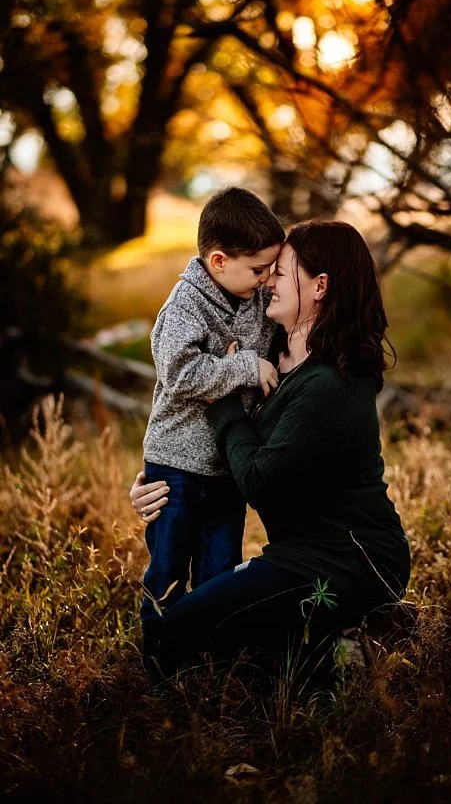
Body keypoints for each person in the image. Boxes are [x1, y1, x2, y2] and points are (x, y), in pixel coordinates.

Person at [133, 221, 412, 691]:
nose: (268, 282)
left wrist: (222, 401)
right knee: (191, 627)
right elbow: (191, 399)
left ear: (320, 286)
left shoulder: (332, 384)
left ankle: (347, 650)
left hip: (348, 560)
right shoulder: (276, 352)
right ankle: (334, 641)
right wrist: (160, 481)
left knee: (185, 632)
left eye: (280, 273)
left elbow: (258, 479)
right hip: (292, 554)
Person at [138, 187, 285, 631]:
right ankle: (161, 654)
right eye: (259, 269)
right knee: (167, 572)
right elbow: (181, 375)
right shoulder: (185, 305)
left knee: (220, 571)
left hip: (226, 468)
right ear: (219, 261)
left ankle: (210, 663)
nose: (267, 279)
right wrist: (244, 364)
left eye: (272, 269)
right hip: (176, 468)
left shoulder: (258, 298)